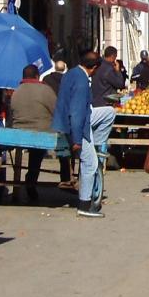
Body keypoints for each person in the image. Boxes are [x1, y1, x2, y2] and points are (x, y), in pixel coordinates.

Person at [53, 51, 104, 218]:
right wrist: (77, 140)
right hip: (78, 129)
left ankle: (85, 203)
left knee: (108, 113)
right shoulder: (82, 81)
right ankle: (84, 204)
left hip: (66, 124)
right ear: (94, 67)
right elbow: (77, 113)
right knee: (90, 164)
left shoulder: (71, 73)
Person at [8, 64, 57, 203]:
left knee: (34, 147)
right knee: (38, 151)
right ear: (37, 76)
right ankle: (31, 179)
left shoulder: (16, 92)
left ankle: (27, 181)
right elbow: (56, 110)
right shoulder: (46, 90)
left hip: (18, 132)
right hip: (41, 132)